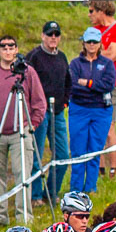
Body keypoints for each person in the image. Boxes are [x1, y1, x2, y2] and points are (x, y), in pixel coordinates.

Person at [0, 35, 47, 225]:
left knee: (22, 174)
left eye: (11, 46)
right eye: (3, 47)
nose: (8, 50)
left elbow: (39, 103)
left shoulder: (28, 73)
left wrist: (32, 126)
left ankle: (24, 217)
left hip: (20, 131)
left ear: (16, 50)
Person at [25, 21, 72, 205]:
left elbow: (68, 81)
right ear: (42, 36)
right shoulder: (34, 57)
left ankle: (51, 192)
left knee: (62, 155)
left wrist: (65, 100)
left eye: (56, 34)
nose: (53, 38)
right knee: (37, 153)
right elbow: (25, 83)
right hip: (39, 113)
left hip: (58, 111)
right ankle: (35, 195)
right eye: (50, 34)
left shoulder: (62, 57)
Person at [67, 28, 116, 194]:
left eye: (95, 42)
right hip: (79, 110)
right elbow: (72, 85)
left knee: (95, 150)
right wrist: (95, 86)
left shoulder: (108, 64)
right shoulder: (75, 64)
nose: (92, 45)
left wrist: (87, 83)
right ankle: (75, 190)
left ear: (100, 43)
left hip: (101, 111)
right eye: (89, 42)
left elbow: (108, 86)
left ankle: (91, 189)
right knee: (78, 152)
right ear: (84, 43)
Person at [88, 1, 116, 178]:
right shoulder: (96, 31)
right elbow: (87, 54)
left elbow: (112, 55)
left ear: (102, 11)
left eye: (92, 11)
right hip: (93, 83)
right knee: (95, 126)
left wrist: (97, 53)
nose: (89, 15)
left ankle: (114, 170)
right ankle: (100, 169)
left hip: (111, 84)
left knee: (108, 127)